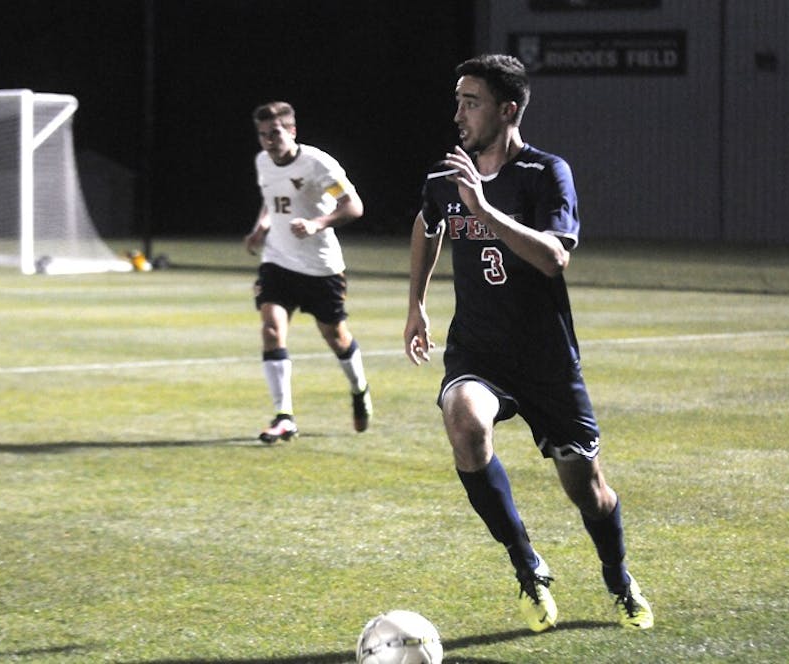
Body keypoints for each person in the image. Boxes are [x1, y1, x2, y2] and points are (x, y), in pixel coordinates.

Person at [403, 55, 653, 632]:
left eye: (472, 102)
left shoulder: (545, 173)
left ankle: (617, 576)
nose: (458, 113)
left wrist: (484, 209)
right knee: (464, 421)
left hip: (545, 360)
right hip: (478, 352)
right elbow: (426, 223)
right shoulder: (447, 177)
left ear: (507, 109)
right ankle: (527, 565)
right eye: (458, 100)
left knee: (588, 492)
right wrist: (415, 301)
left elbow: (553, 256)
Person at [245, 101, 372, 443]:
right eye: (262, 135)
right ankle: (284, 416)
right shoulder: (262, 162)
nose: (269, 141)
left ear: (292, 131)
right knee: (271, 330)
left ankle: (359, 389)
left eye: (275, 133)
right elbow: (272, 200)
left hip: (320, 268)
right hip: (278, 261)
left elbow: (353, 206)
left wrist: (318, 224)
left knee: (336, 337)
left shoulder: (317, 165)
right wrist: (262, 226)